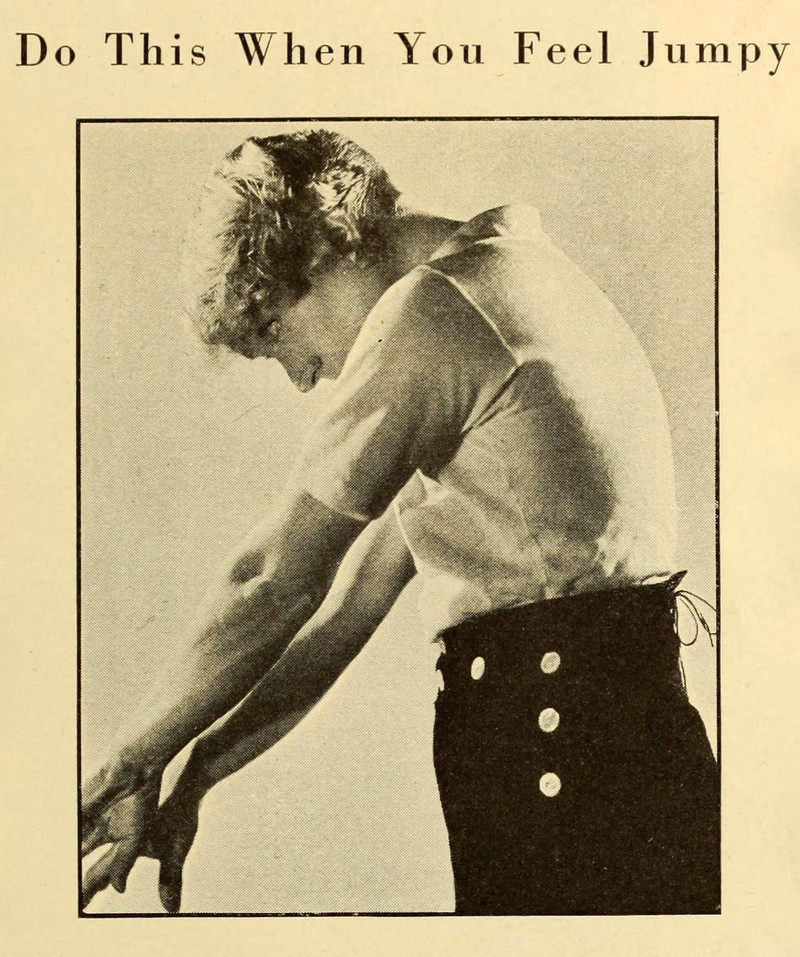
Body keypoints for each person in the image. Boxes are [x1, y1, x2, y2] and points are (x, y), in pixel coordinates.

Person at [81, 129, 719, 915]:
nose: (302, 376)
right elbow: (348, 607)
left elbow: (272, 579)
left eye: (273, 329)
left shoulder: (437, 308)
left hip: (551, 746)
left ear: (322, 249)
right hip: (620, 745)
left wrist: (119, 764)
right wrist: (193, 769)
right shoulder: (514, 277)